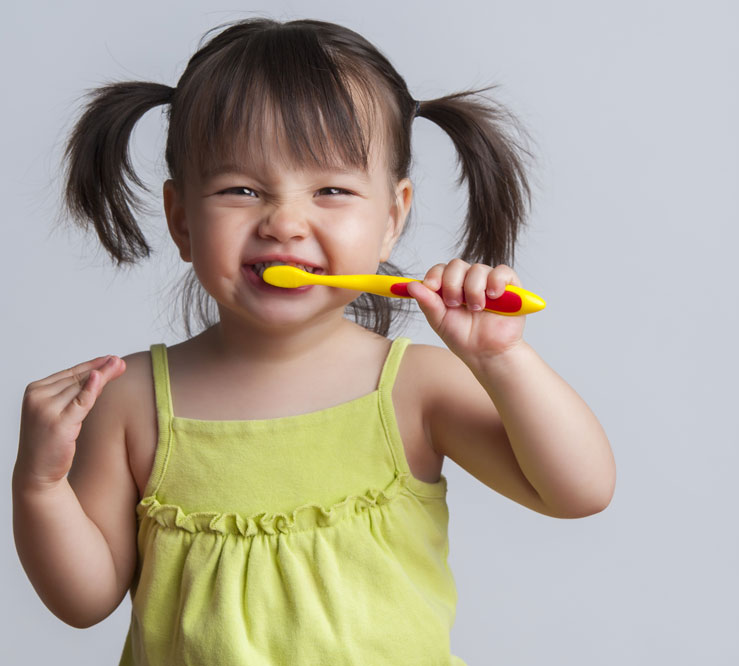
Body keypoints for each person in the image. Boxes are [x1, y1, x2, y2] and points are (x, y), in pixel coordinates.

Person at [12, 17, 615, 665]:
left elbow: (577, 491)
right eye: (241, 189)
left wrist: (502, 359)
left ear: (390, 219)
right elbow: (84, 602)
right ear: (182, 219)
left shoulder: (414, 389)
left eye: (331, 190)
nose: (285, 223)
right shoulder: (129, 401)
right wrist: (39, 487)